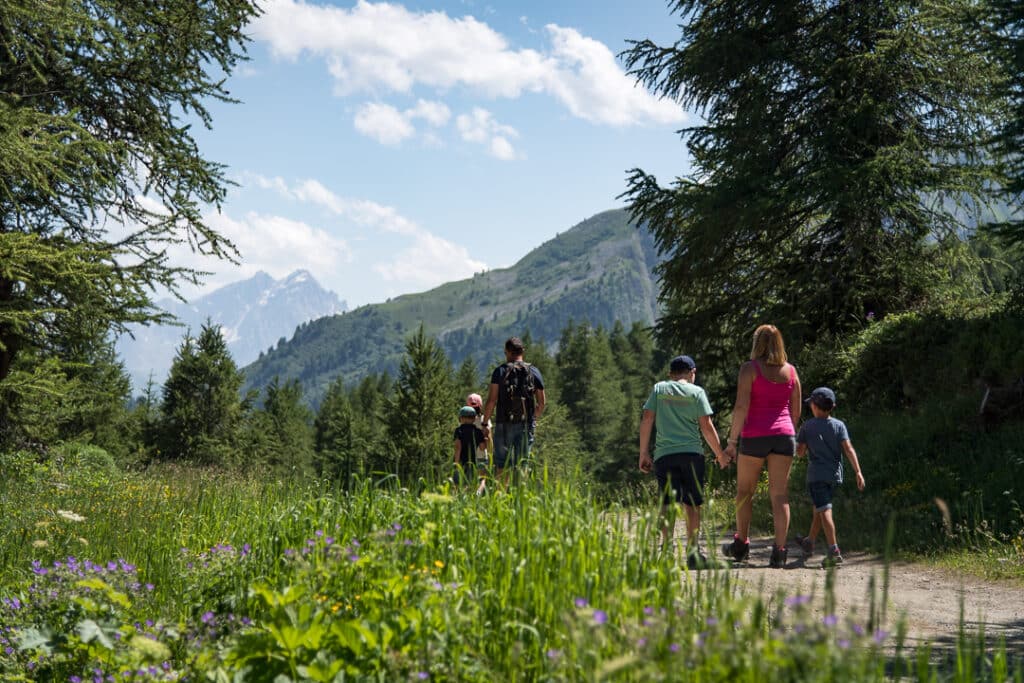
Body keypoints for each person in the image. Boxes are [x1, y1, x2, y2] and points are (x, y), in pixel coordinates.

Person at [723, 324, 802, 568]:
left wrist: (732, 442)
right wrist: (786, 430)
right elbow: (796, 411)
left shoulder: (750, 369)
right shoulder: (791, 372)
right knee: (780, 495)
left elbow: (741, 407)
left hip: (755, 435)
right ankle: (780, 551)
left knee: (745, 492)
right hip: (784, 434)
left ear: (757, 343)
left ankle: (741, 544)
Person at [639, 355, 730, 569]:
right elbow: (706, 426)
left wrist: (643, 453)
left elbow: (647, 419)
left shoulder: (660, 389)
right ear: (692, 373)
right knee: (693, 504)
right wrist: (720, 454)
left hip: (664, 455)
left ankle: (666, 552)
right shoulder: (697, 392)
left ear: (671, 374)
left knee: (668, 503)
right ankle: (692, 554)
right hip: (692, 455)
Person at [794, 387, 865, 567]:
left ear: (815, 406)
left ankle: (834, 549)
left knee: (824, 510)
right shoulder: (839, 425)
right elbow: (849, 449)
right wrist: (858, 471)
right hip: (834, 476)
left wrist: (799, 443)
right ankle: (809, 541)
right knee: (820, 507)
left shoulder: (807, 426)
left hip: (816, 476)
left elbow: (800, 453)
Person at [481, 337, 545, 484]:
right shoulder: (534, 372)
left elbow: (491, 401)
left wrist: (485, 423)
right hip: (525, 425)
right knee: (523, 465)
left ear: (508, 352)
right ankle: (521, 501)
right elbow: (541, 403)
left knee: (502, 466)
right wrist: (532, 419)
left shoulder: (500, 372)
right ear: (523, 351)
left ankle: (500, 499)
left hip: (504, 424)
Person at [453, 405, 487, 489]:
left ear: (461, 418)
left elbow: (458, 447)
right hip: (472, 462)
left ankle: (457, 499)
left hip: (461, 461)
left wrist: (456, 463)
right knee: (470, 483)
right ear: (474, 419)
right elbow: (482, 448)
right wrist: (484, 437)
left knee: (457, 484)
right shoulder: (477, 432)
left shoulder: (458, 430)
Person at [467, 392, 491, 494]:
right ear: (480, 405)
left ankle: (467, 496)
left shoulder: (464, 421)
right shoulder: (484, 420)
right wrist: (491, 455)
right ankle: (478, 493)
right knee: (482, 479)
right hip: (482, 455)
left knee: (469, 479)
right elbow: (489, 438)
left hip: (468, 456)